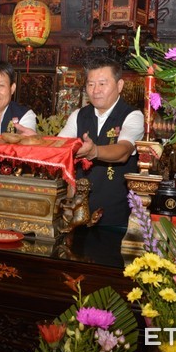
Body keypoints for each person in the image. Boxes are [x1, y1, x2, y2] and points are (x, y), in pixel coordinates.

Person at [57, 56, 144, 228]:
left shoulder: (132, 116)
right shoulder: (78, 116)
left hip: (115, 215)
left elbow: (124, 151)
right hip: (77, 214)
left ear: (119, 86)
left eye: (102, 84)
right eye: (91, 84)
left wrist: (94, 152)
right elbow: (59, 146)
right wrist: (37, 141)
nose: (96, 90)